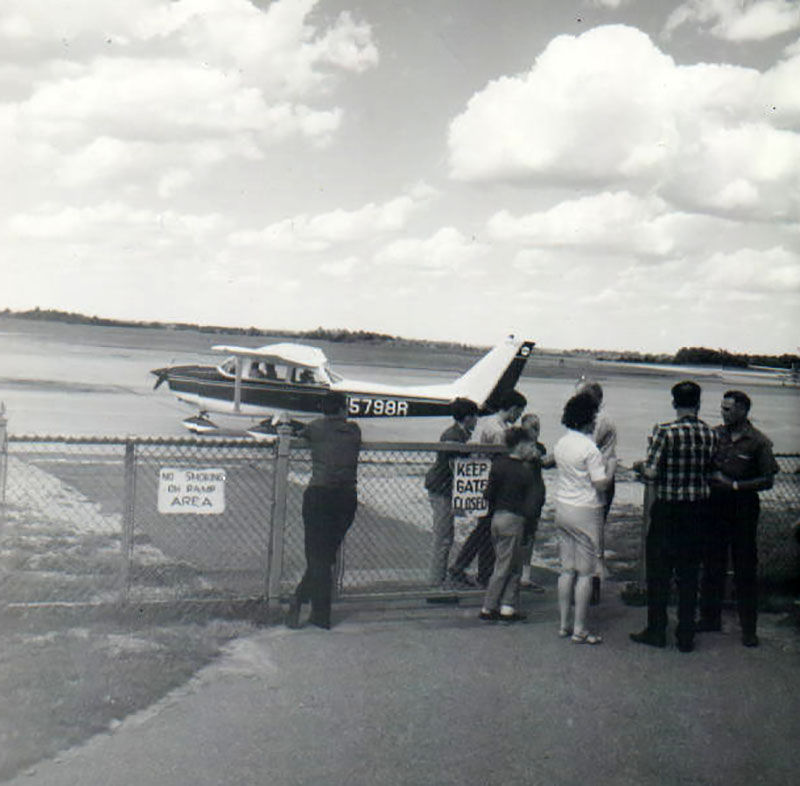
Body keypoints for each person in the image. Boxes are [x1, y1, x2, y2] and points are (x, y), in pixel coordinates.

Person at [630, 381, 717, 653]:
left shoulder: (665, 432)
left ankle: (657, 630)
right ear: (699, 403)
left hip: (669, 509)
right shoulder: (710, 434)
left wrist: (640, 467)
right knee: (689, 573)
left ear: (674, 402)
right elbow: (711, 471)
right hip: (698, 509)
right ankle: (686, 634)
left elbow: (653, 472)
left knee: (660, 572)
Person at [696, 390, 779, 647]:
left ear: (743, 410)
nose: (724, 413)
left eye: (729, 409)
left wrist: (734, 485)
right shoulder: (715, 434)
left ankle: (748, 629)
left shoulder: (758, 442)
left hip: (742, 508)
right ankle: (710, 617)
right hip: (715, 507)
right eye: (722, 408)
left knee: (745, 567)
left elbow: (767, 480)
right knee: (712, 564)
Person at [286, 391, 361, 630]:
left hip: (320, 495)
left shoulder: (315, 428)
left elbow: (304, 433)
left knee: (317, 556)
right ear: (343, 409)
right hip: (346, 499)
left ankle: (310, 606)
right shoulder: (355, 431)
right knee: (326, 556)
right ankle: (310, 606)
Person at [553, 392, 616, 644]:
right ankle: (580, 628)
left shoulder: (562, 443)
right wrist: (610, 468)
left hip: (563, 505)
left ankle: (564, 624)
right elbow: (600, 484)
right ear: (587, 419)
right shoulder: (589, 448)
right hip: (586, 509)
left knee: (566, 569)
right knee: (586, 573)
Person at [449, 389, 527, 587]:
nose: (518, 416)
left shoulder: (487, 422)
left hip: (483, 481)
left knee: (484, 529)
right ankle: (464, 567)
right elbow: (502, 458)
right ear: (512, 409)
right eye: (518, 411)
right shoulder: (499, 430)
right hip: (492, 482)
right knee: (485, 529)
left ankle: (478, 572)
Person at [478, 427, 539, 622]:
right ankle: (489, 607)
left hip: (497, 517)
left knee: (509, 564)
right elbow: (532, 504)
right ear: (520, 445)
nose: (532, 448)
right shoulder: (525, 472)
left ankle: (507, 607)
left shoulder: (499, 464)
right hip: (514, 519)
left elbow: (488, 493)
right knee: (507, 565)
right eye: (530, 445)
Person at [423, 398, 480, 587]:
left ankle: (438, 580)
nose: (476, 421)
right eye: (475, 417)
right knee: (443, 538)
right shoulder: (453, 436)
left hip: (444, 488)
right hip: (442, 489)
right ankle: (435, 583)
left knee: (445, 536)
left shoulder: (458, 434)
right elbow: (456, 464)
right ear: (468, 417)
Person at [575, 380, 617, 604]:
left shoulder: (599, 421)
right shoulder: (593, 418)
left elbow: (584, 446)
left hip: (599, 479)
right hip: (593, 478)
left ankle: (592, 587)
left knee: (592, 534)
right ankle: (586, 586)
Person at [519, 413, 552, 592]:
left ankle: (525, 575)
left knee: (530, 535)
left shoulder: (540, 448)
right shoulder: (516, 447)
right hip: (521, 495)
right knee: (518, 534)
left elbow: (543, 460)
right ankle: (517, 574)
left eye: (537, 428)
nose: (536, 432)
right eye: (533, 428)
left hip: (534, 494)